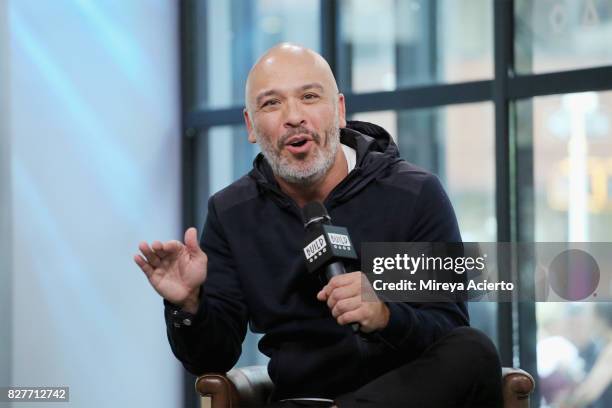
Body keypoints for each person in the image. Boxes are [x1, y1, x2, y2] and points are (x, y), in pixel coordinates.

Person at [135, 43, 502, 407]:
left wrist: (386, 315)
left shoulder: (412, 193)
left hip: (403, 397)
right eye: (271, 103)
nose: (293, 116)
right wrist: (188, 305)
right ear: (250, 125)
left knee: (474, 351)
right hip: (303, 398)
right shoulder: (232, 212)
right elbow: (210, 359)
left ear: (339, 110)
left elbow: (446, 328)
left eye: (309, 97)